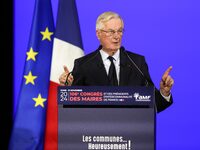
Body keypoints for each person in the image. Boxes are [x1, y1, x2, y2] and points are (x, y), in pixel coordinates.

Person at [59, 11, 174, 113]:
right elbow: (71, 108)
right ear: (98, 34)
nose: (116, 36)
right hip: (94, 133)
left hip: (130, 133)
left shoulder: (137, 63)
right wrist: (68, 89)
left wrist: (164, 93)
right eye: (111, 32)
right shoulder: (83, 65)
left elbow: (154, 104)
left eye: (120, 31)